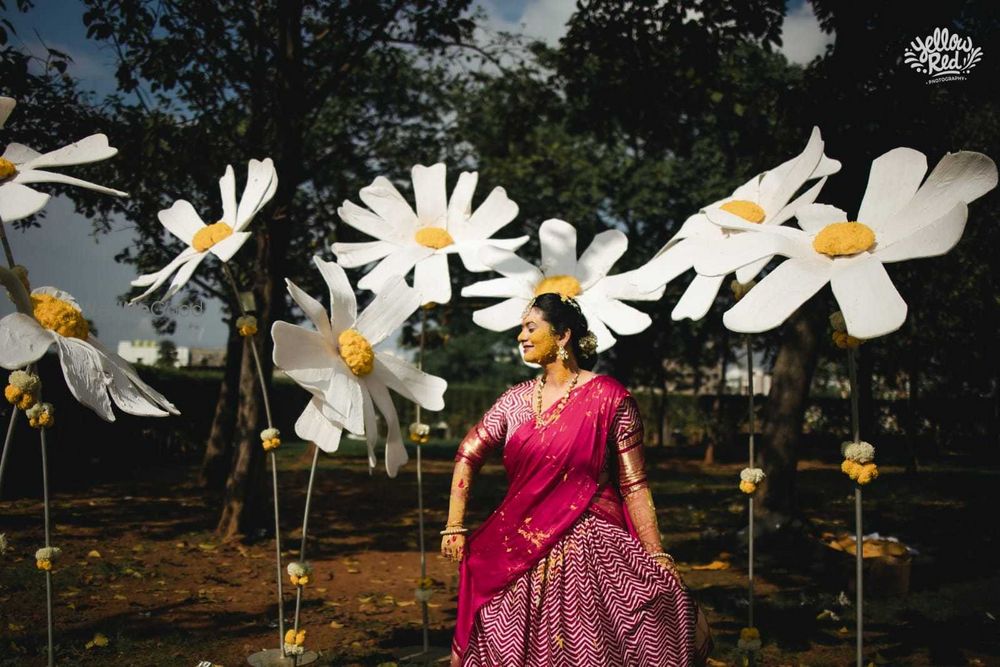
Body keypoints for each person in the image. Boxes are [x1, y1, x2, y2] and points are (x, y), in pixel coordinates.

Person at [440, 292, 699, 666]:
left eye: (531, 327)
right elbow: (468, 453)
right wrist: (454, 525)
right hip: (520, 546)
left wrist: (656, 552)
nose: (521, 337)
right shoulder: (515, 400)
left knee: (605, 639)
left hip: (593, 545)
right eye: (521, 329)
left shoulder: (610, 398)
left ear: (562, 336)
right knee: (504, 639)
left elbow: (634, 484)